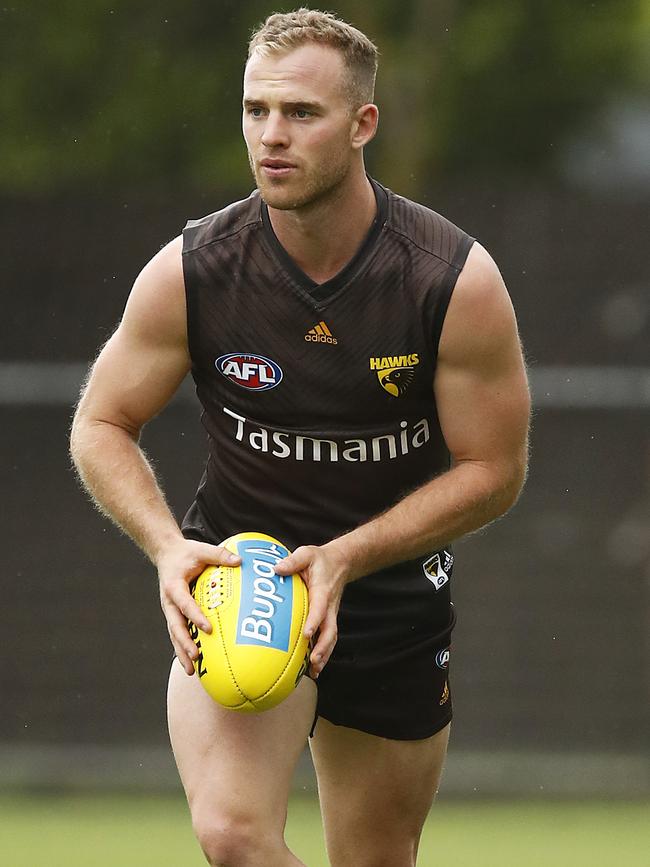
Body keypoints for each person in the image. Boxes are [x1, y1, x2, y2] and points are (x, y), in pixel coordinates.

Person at [70, 8, 530, 866]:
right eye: (255, 110)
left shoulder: (450, 280)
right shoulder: (194, 269)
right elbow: (100, 422)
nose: (271, 136)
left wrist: (347, 557)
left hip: (389, 598)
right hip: (243, 580)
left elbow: (496, 470)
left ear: (363, 125)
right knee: (234, 837)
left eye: (301, 114)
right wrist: (169, 548)